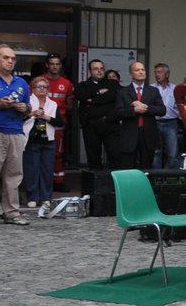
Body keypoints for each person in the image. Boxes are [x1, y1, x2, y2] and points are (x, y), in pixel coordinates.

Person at [0, 45, 32, 226]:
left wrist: (24, 108)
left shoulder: (21, 83)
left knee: (14, 174)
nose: (10, 61)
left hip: (16, 132)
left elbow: (29, 109)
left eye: (13, 58)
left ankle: (11, 211)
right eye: (6, 58)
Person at [111, 61, 165, 170]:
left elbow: (162, 110)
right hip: (129, 135)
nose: (141, 72)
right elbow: (117, 113)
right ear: (131, 74)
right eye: (137, 70)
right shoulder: (123, 92)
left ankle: (145, 187)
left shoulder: (153, 91)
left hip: (148, 134)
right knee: (127, 167)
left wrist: (146, 108)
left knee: (147, 168)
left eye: (143, 70)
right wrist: (134, 110)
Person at [22, 75, 61, 209]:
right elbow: (19, 118)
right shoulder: (27, 102)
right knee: (32, 169)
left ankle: (45, 197)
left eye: (45, 87)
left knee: (47, 169)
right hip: (31, 139)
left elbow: (60, 122)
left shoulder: (53, 104)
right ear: (32, 89)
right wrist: (32, 114)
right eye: (39, 87)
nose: (42, 89)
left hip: (48, 139)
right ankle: (32, 197)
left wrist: (46, 117)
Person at [74, 58, 119, 167]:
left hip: (110, 124)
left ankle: (114, 182)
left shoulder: (112, 83)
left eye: (101, 68)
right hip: (90, 125)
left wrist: (92, 99)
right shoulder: (83, 85)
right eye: (96, 69)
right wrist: (99, 92)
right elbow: (80, 95)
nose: (99, 71)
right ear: (90, 71)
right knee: (93, 157)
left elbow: (111, 97)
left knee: (115, 155)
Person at [41, 53, 72, 185]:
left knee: (58, 153)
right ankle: (42, 180)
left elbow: (70, 104)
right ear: (47, 65)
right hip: (40, 122)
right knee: (40, 152)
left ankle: (58, 181)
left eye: (57, 64)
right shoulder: (39, 81)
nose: (55, 67)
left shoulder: (66, 83)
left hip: (59, 124)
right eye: (52, 64)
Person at [151, 62, 181, 168]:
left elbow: (180, 107)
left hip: (171, 123)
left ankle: (171, 177)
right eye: (155, 72)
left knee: (172, 153)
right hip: (154, 123)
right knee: (156, 152)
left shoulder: (175, 89)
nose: (157, 75)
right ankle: (156, 177)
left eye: (160, 72)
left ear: (167, 74)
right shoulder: (151, 88)